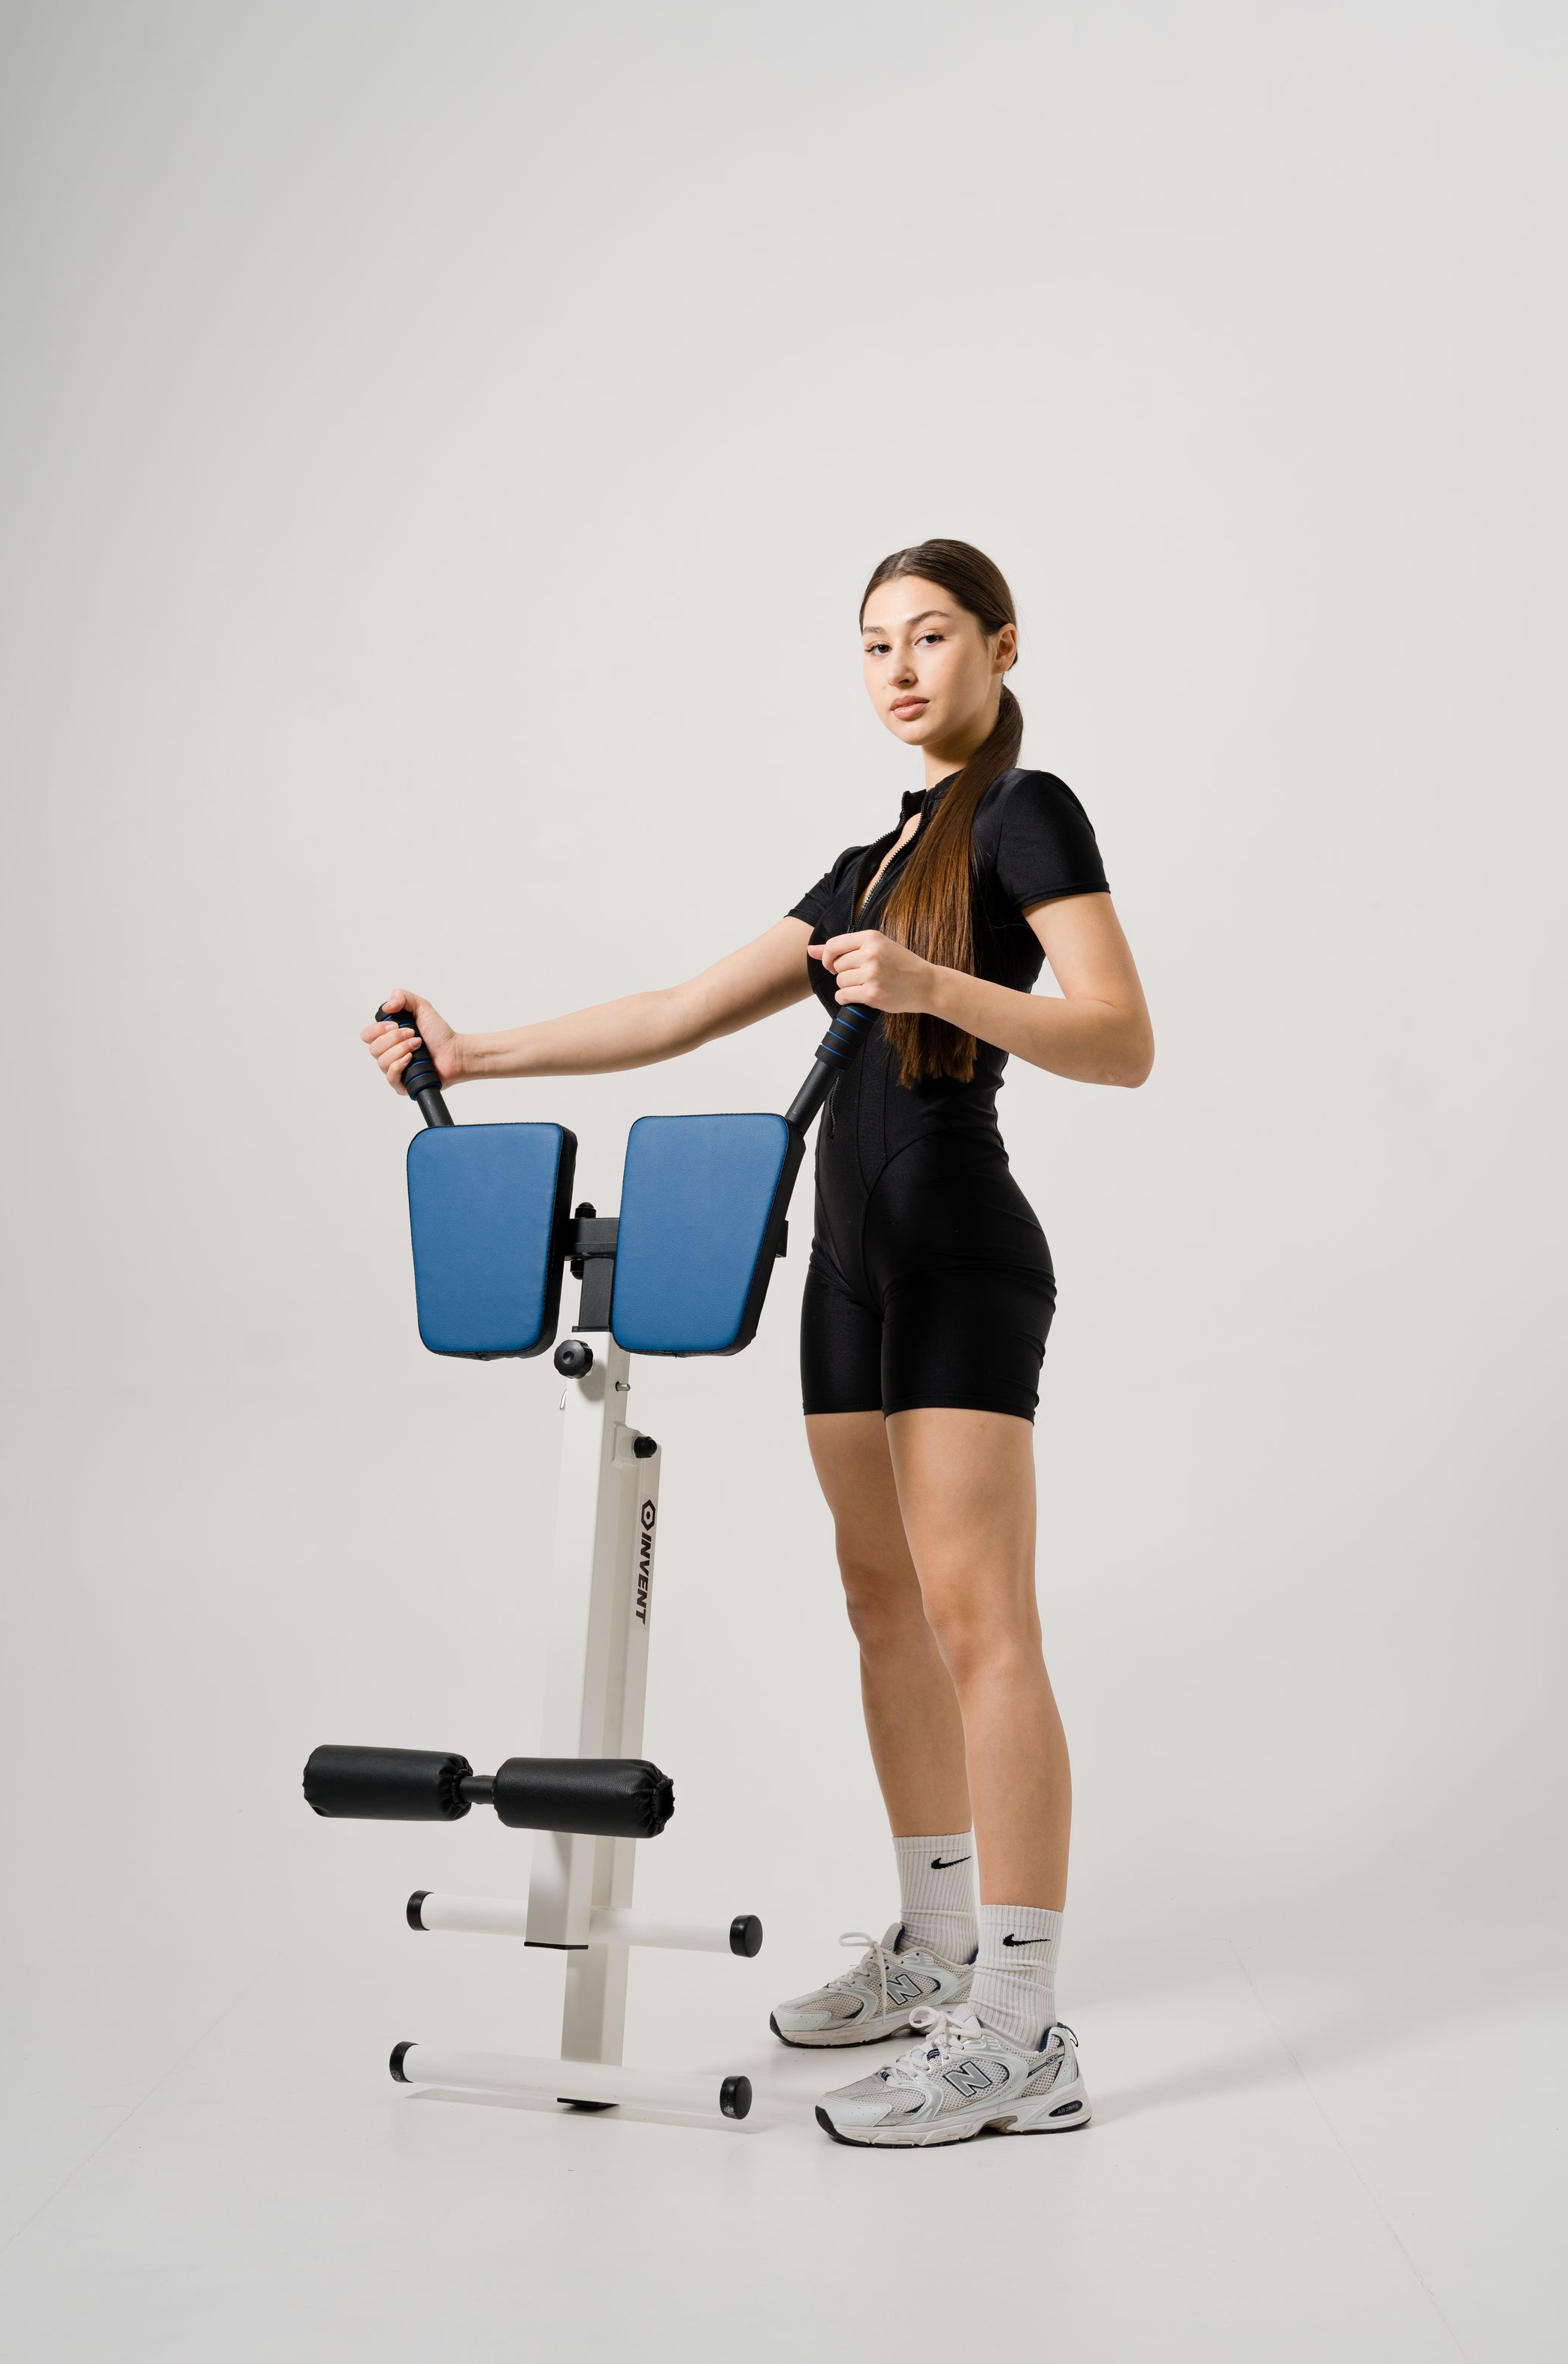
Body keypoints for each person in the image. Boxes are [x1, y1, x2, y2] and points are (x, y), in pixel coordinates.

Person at [362, 538, 1154, 2147]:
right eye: (874, 644)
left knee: (979, 1620)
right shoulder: (865, 864)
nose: (900, 669)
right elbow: (675, 1011)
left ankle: (1021, 2025)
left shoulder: (1026, 811)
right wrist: (474, 1051)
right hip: (847, 1264)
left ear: (1001, 647)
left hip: (957, 1246)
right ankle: (934, 1947)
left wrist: (931, 983)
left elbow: (1119, 1038)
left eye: (931, 636)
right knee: (881, 1608)